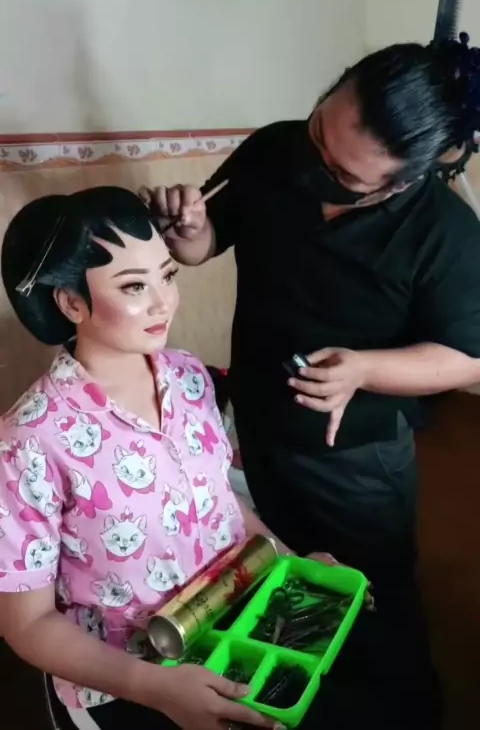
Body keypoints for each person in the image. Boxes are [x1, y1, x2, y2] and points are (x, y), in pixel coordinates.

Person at [144, 41, 480, 728]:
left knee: (373, 599)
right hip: (260, 423)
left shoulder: (443, 234)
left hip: (355, 457)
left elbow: (469, 359)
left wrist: (365, 369)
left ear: (402, 181)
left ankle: (404, 710)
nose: (313, 164)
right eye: (319, 130)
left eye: (343, 173)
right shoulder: (275, 150)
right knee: (286, 581)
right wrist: (188, 231)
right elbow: (205, 243)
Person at [0, 185, 317, 730]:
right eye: (133, 286)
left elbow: (219, 502)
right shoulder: (29, 441)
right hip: (122, 686)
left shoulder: (189, 376)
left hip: (234, 636)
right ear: (71, 302)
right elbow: (27, 625)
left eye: (167, 276)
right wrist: (157, 689)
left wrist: (293, 567)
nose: (163, 302)